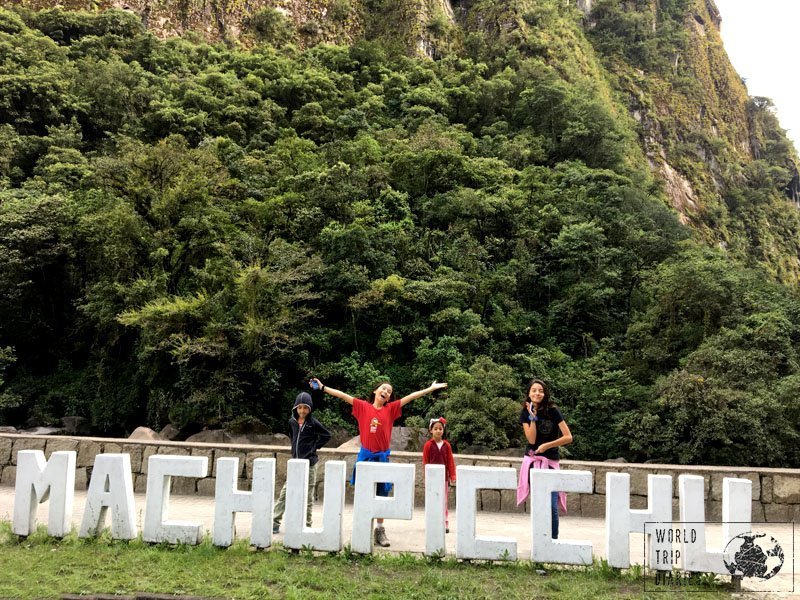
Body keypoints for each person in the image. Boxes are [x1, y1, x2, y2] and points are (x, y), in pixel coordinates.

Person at [310, 377, 447, 547]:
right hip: (365, 458)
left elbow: (411, 397)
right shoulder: (362, 407)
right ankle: (362, 528)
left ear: (389, 398)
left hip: (382, 458)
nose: (386, 392)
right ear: (375, 391)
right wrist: (323, 388)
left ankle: (380, 530)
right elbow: (342, 396)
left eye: (389, 392)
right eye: (383, 389)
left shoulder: (390, 409)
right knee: (363, 494)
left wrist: (429, 389)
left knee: (382, 495)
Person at [516, 378, 573, 539]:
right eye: (534, 390)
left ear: (545, 393)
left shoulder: (553, 410)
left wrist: (548, 445)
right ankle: (540, 540)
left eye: (540, 390)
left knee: (552, 505)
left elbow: (568, 437)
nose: (537, 393)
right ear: (528, 393)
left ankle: (553, 540)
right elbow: (532, 440)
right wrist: (532, 417)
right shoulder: (524, 413)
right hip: (533, 464)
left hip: (550, 463)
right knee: (539, 505)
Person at [273, 391, 332, 534]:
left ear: (310, 408)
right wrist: (294, 450)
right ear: (295, 408)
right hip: (295, 464)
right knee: (285, 494)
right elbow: (293, 437)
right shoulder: (292, 422)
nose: (302, 411)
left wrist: (314, 447)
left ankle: (307, 524)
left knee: (308, 496)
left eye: (305, 408)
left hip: (310, 463)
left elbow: (327, 435)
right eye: (299, 408)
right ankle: (275, 522)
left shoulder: (313, 423)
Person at [422, 417, 456, 533]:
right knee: (432, 500)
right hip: (432, 479)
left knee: (444, 501)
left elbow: (450, 461)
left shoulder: (447, 445)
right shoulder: (428, 445)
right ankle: (431, 522)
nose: (438, 431)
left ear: (443, 430)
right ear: (431, 430)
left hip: (444, 479)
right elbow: (425, 462)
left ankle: (445, 522)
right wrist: (426, 477)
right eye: (435, 428)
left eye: (440, 429)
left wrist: (453, 476)